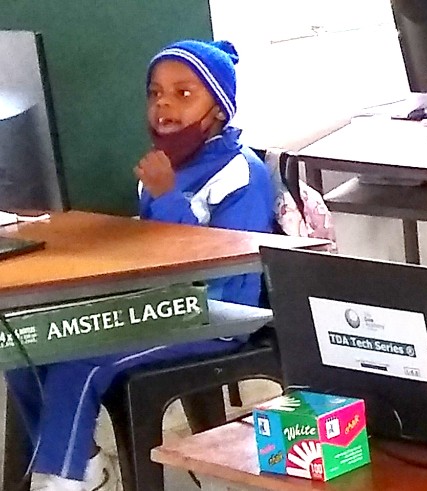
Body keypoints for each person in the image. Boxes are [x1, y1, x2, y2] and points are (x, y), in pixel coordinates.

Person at [7, 39, 276, 491]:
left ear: (221, 110)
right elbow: (155, 249)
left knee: (81, 363)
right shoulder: (164, 166)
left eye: (184, 94)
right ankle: (83, 465)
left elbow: (226, 255)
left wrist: (168, 196)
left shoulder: (240, 172)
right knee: (24, 348)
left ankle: (57, 481)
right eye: (155, 93)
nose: (164, 105)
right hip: (162, 303)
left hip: (218, 313)